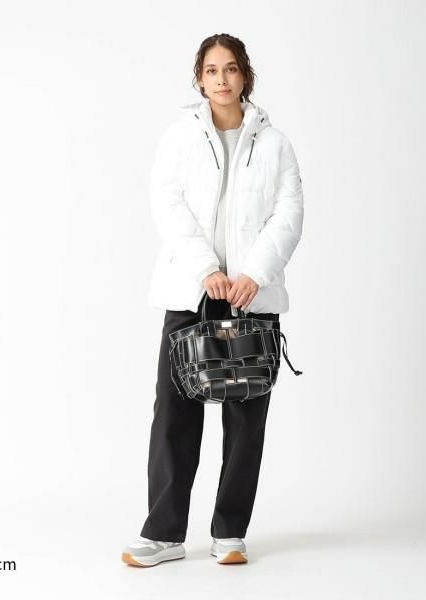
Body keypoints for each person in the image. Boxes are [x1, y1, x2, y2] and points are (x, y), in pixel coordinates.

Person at [121, 32, 304, 567]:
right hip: (190, 290)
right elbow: (168, 205)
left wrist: (254, 274)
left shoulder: (275, 144)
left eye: (230, 69)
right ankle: (163, 534)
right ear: (199, 80)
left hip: (251, 296)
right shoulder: (179, 138)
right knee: (174, 413)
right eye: (211, 70)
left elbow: (289, 214)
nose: (221, 79)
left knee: (246, 417)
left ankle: (230, 533)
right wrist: (207, 270)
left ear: (245, 74)